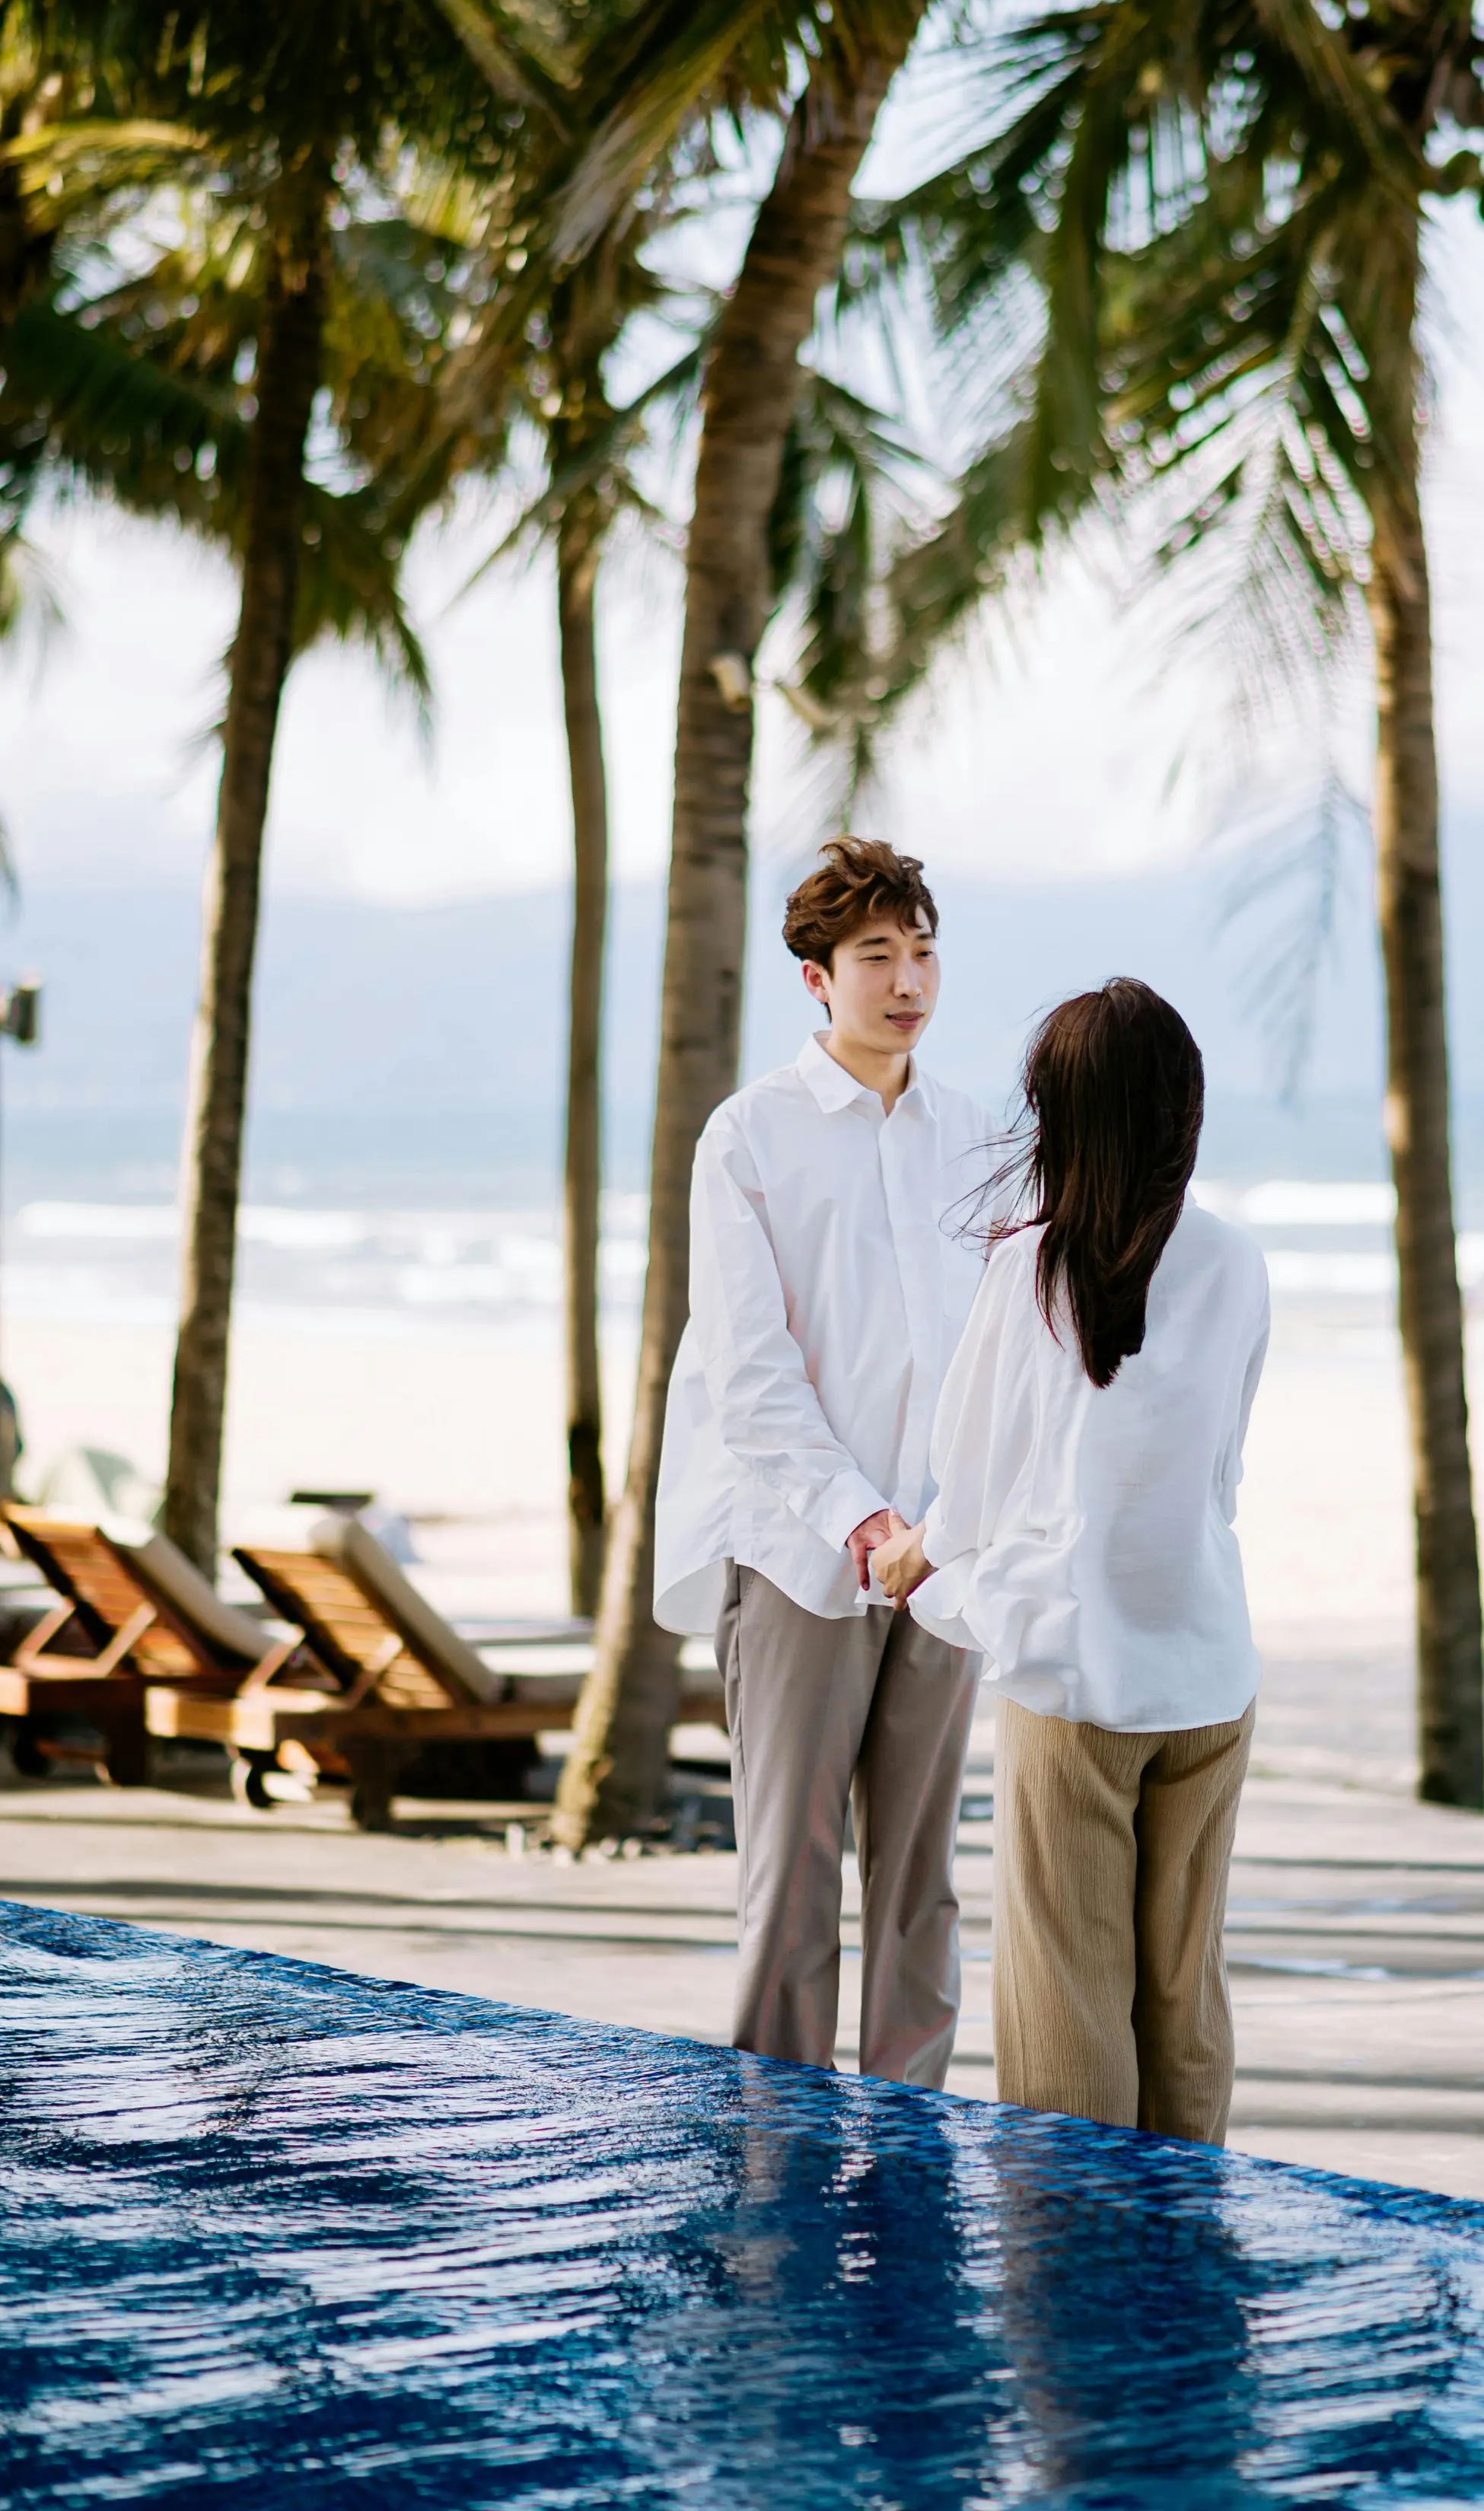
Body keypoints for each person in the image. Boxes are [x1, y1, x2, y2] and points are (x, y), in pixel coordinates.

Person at [874, 978, 1269, 2146]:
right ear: (1183, 1112)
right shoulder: (1237, 1263)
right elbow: (1223, 1475)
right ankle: (1184, 2261)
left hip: (1075, 1679)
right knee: (1181, 1995)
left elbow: (973, 1483)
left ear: (1064, 1118)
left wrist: (915, 1556)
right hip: (1208, 1671)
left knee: (1067, 2005)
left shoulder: (1033, 1266)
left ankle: (1076, 2288)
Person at [652, 837, 993, 2088]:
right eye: (874, 957)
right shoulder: (750, 1137)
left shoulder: (975, 1138)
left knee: (922, 1879)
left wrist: (950, 1526)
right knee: (790, 1886)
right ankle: (776, 2158)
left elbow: (999, 1349)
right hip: (800, 1552)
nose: (907, 980)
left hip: (947, 1560)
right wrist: (864, 1522)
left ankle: (910, 2144)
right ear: (816, 978)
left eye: (920, 950)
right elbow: (751, 1377)